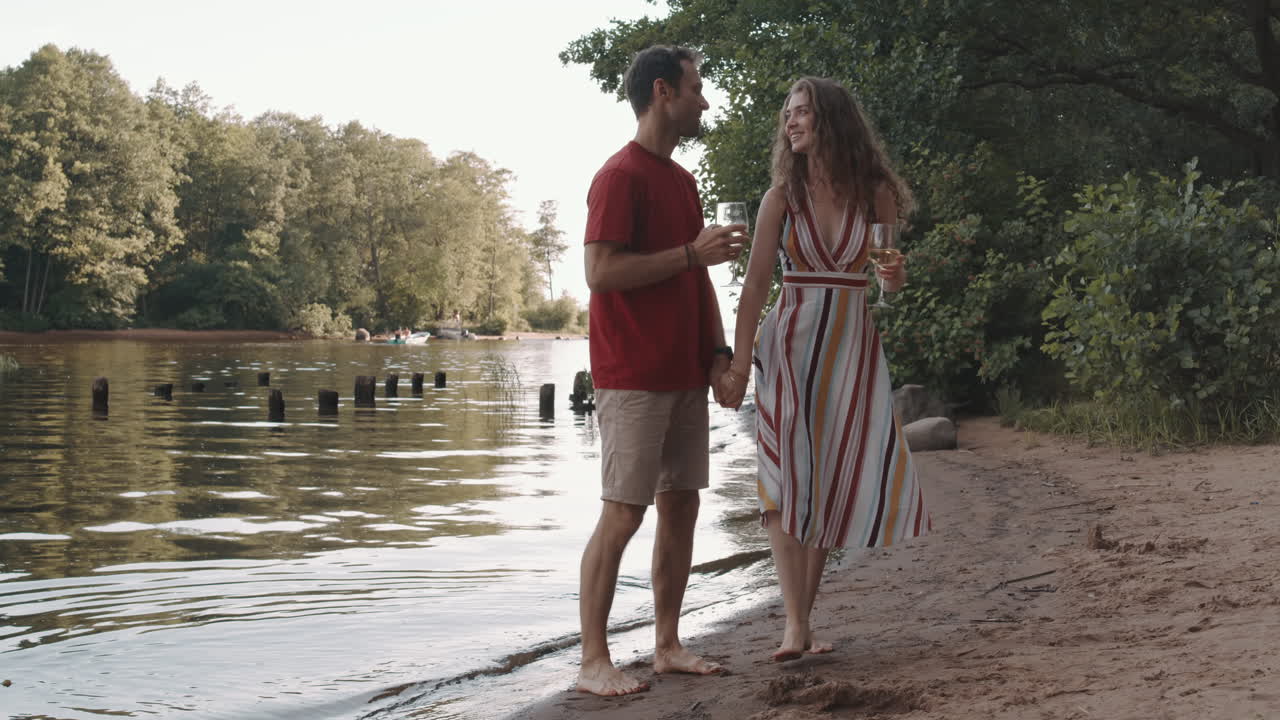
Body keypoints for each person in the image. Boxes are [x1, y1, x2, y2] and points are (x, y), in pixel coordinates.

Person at [716, 77, 932, 662]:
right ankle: (793, 624)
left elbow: (889, 277)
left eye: (803, 112)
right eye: (788, 114)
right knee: (786, 483)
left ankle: (803, 622)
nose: (791, 123)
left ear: (831, 120)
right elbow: (756, 285)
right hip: (789, 346)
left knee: (830, 482)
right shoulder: (781, 195)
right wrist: (737, 366)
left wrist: (893, 277)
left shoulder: (876, 191)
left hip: (852, 348)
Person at [577, 45, 746, 697]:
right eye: (695, 88)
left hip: (683, 372)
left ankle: (667, 645)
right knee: (623, 513)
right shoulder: (619, 176)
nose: (703, 100)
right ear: (661, 92)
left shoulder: (680, 180)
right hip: (631, 374)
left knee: (682, 505)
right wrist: (687, 253)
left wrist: (720, 357)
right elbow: (600, 272)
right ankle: (594, 659)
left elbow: (698, 276)